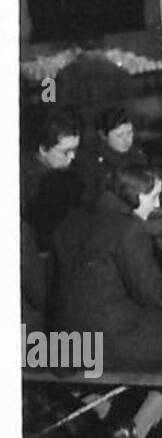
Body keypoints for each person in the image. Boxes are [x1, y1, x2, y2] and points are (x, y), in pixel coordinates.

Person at [52, 165, 162, 438]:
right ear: (135, 196)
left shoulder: (71, 220)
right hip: (108, 340)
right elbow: (149, 293)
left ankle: (113, 418)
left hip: (64, 343)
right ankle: (138, 428)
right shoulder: (129, 229)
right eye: (154, 196)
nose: (156, 205)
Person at [21, 110, 83, 322]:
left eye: (75, 150)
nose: (72, 157)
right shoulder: (24, 185)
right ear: (43, 149)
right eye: (66, 152)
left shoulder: (67, 172)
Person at [76, 106, 148, 207]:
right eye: (119, 135)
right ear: (103, 135)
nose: (127, 140)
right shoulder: (92, 163)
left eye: (130, 133)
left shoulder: (138, 156)